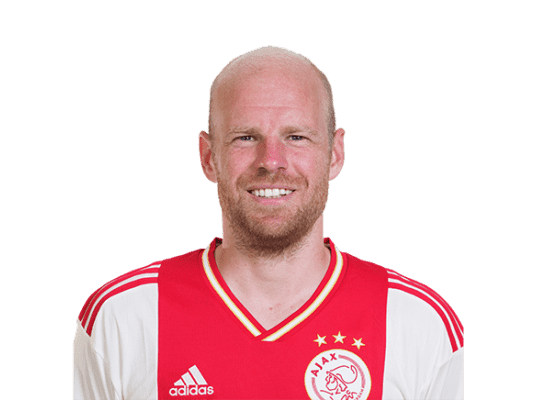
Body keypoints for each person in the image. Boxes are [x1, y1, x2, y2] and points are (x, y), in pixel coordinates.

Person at [73, 46, 464, 400]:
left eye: (296, 137)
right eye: (245, 137)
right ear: (208, 157)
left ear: (335, 154)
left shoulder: (419, 323)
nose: (271, 161)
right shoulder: (122, 317)